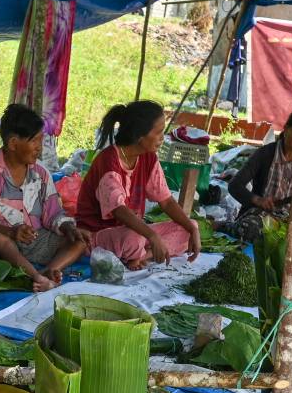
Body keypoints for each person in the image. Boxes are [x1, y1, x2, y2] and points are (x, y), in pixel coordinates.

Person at [0, 103, 90, 292]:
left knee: (78, 242)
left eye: (41, 141)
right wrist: (10, 231)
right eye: (35, 141)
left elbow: (53, 214)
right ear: (13, 144)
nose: (39, 148)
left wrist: (68, 227)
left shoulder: (41, 173)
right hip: (1, 243)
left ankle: (50, 271)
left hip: (35, 239)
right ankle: (36, 277)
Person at [75, 100, 200, 270]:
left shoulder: (148, 157)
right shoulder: (108, 161)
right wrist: (152, 236)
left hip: (131, 232)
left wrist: (192, 230)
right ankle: (142, 253)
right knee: (134, 238)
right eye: (159, 132)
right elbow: (119, 211)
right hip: (96, 237)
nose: (163, 138)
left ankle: (143, 255)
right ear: (140, 135)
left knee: (188, 226)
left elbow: (166, 201)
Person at [226, 107, 292, 242]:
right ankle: (225, 226)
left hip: (290, 219)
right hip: (261, 216)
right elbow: (234, 185)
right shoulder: (265, 154)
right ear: (286, 129)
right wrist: (258, 200)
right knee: (251, 230)